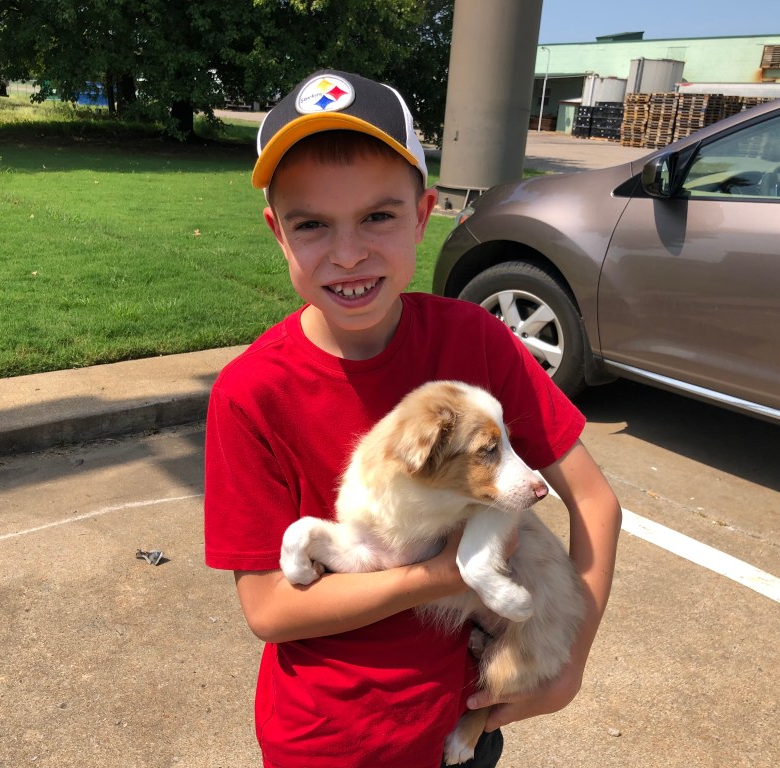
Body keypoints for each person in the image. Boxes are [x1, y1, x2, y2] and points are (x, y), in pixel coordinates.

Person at [204, 69, 621, 768]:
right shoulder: (251, 393)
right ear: (278, 233)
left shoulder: (477, 342)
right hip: (323, 741)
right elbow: (269, 610)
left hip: (460, 720)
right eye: (312, 224)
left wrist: (569, 662)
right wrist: (446, 577)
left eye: (379, 216)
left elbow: (596, 502)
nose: (348, 253)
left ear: (424, 215)